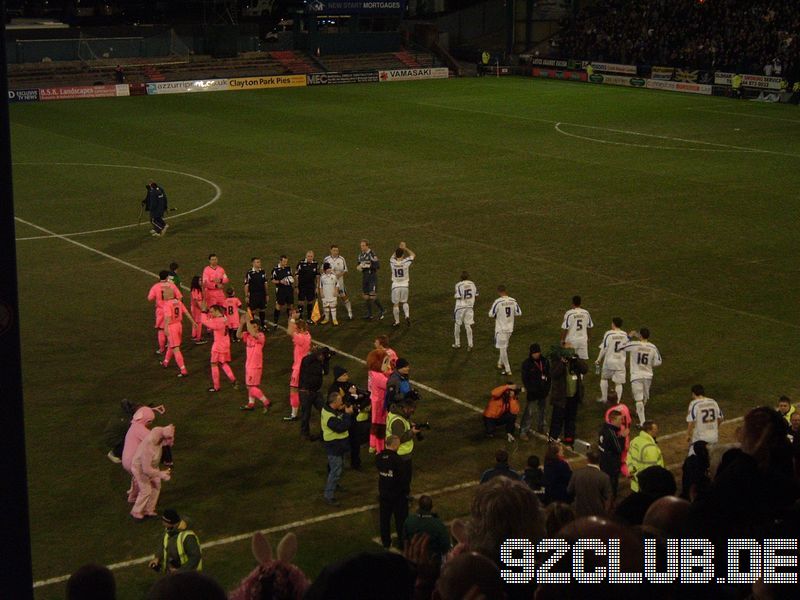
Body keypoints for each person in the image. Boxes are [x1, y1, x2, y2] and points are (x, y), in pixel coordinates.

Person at [130, 425, 174, 520]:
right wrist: (161, 474)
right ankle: (136, 511)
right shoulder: (149, 447)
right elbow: (146, 470)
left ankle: (149, 509)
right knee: (146, 490)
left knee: (157, 486)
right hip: (140, 468)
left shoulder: (159, 433)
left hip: (152, 466)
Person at [329, 366, 369, 469]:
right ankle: (335, 465)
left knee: (355, 442)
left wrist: (356, 396)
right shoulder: (334, 389)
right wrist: (351, 396)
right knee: (342, 444)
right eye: (344, 375)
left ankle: (356, 463)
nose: (347, 376)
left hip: (352, 418)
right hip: (341, 419)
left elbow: (361, 395)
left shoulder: (350, 385)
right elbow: (336, 404)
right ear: (338, 377)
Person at [548, 345, 587, 447]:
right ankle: (553, 438)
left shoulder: (575, 360)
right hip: (561, 396)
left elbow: (585, 369)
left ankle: (569, 438)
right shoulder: (556, 360)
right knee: (557, 418)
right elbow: (554, 374)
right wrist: (562, 363)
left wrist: (576, 360)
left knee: (571, 418)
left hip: (573, 396)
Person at [620, 327, 662, 425]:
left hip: (636, 375)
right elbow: (659, 361)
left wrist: (629, 336)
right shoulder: (653, 347)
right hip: (648, 375)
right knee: (644, 397)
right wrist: (649, 364)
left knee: (639, 399)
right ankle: (642, 418)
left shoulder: (634, 344)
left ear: (640, 335)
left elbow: (620, 346)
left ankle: (642, 421)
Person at [321, 391, 354, 506]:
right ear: (334, 402)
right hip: (334, 446)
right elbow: (342, 427)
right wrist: (348, 415)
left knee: (334, 468)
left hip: (337, 444)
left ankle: (334, 485)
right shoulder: (330, 418)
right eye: (340, 401)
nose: (342, 403)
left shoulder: (329, 409)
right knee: (336, 470)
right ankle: (328, 495)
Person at [376, 435, 409, 549]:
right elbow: (403, 479)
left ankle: (386, 541)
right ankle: (402, 543)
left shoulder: (379, 457)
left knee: (384, 519)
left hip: (384, 494)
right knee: (401, 520)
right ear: (395, 445)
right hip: (397, 496)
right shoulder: (398, 460)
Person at [386, 399, 420, 499]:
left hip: (398, 453)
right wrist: (412, 432)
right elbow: (399, 438)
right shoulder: (398, 421)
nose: (412, 412)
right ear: (404, 408)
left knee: (400, 478)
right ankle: (403, 498)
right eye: (411, 410)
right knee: (403, 479)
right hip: (401, 455)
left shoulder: (397, 414)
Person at [237, 311, 270, 412]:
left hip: (255, 366)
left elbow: (253, 333)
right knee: (251, 386)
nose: (254, 328)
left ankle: (266, 402)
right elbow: (238, 335)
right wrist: (242, 323)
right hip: (249, 365)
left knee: (250, 387)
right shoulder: (247, 335)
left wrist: (248, 322)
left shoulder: (260, 336)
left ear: (258, 327)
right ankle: (251, 403)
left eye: (255, 326)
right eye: (252, 326)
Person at [200, 303, 237, 393]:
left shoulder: (217, 321)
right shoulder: (224, 317)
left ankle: (216, 387)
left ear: (217, 311)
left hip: (218, 345)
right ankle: (233, 379)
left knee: (214, 364)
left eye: (212, 312)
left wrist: (203, 312)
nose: (211, 313)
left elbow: (204, 322)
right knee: (222, 363)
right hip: (225, 344)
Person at [161, 287, 196, 378]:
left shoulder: (167, 304)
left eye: (164, 293)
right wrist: (193, 322)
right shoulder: (178, 302)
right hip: (179, 326)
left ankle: (183, 369)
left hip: (172, 327)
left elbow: (168, 317)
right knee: (171, 345)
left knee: (175, 348)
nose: (163, 294)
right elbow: (186, 312)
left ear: (169, 295)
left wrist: (165, 328)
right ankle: (165, 362)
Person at [566, 448, 612, 517]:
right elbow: (608, 498)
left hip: (579, 511)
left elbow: (569, 490)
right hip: (597, 513)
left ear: (587, 460)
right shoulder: (604, 477)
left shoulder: (577, 473)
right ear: (600, 460)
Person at [402, 495, 451, 560]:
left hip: (413, 558)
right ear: (431, 507)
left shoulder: (409, 520)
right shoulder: (437, 524)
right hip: (432, 560)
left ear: (419, 506)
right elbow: (446, 546)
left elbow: (405, 540)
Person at [297, 348, 331, 440]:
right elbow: (310, 358)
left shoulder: (320, 363)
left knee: (325, 411)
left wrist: (327, 360)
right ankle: (304, 434)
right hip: (305, 392)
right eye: (322, 355)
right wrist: (317, 353)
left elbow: (326, 371)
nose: (322, 357)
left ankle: (324, 432)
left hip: (316, 392)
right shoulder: (307, 360)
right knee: (306, 414)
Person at [519, 343, 550, 439]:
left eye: (537, 352)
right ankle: (523, 431)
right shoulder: (527, 364)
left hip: (543, 392)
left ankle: (542, 427)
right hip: (532, 393)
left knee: (543, 411)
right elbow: (525, 379)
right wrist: (531, 389)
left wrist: (547, 389)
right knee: (529, 412)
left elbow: (549, 376)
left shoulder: (545, 362)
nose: (536, 354)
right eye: (534, 353)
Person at [488, 285, 521, 375]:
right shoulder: (513, 301)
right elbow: (518, 313)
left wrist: (499, 315)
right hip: (510, 329)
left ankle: (508, 369)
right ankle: (500, 363)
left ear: (498, 292)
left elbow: (491, 314)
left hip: (501, 329)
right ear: (506, 291)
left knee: (503, 349)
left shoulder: (498, 302)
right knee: (504, 347)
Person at [147, 271, 182, 356]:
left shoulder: (155, 286)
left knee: (161, 330)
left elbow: (149, 298)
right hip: (171, 309)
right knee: (171, 328)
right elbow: (180, 296)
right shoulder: (171, 285)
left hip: (160, 311)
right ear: (167, 277)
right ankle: (172, 345)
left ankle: (162, 349)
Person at [283, 316, 311, 421]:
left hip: (298, 368)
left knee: (294, 390)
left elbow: (289, 332)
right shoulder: (307, 335)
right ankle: (305, 411)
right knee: (304, 390)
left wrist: (292, 319)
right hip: (305, 367)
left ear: (301, 329)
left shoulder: (301, 338)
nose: (295, 330)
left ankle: (294, 414)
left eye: (297, 329)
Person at [594, 317, 628, 403]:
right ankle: (618, 401)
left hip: (609, 362)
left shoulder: (608, 334)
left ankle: (604, 398)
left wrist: (598, 359)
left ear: (613, 324)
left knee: (604, 378)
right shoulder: (625, 335)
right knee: (618, 383)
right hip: (620, 362)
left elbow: (604, 348)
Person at [627, 421, 664, 492]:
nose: (657, 431)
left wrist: (631, 471)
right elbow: (652, 470)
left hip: (635, 484)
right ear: (649, 431)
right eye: (655, 429)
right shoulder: (650, 447)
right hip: (647, 486)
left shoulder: (635, 440)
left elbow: (629, 457)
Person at [367, 349, 391, 453]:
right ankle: (378, 449)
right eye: (385, 362)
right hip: (380, 403)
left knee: (375, 423)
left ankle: (373, 445)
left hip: (375, 400)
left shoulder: (373, 372)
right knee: (380, 426)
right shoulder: (379, 376)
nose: (387, 365)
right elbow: (389, 384)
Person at [598, 409, 625, 497]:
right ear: (613, 420)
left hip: (603, 461)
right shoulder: (612, 433)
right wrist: (622, 437)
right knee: (612, 486)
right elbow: (619, 448)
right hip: (611, 464)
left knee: (604, 483)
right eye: (620, 419)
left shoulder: (603, 429)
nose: (621, 422)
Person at [323, 244, 353, 320]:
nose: (336, 252)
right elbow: (322, 270)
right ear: (330, 251)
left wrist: (338, 276)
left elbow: (345, 270)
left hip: (339, 282)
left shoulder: (341, 259)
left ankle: (350, 312)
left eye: (337, 250)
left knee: (343, 296)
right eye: (334, 250)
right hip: (329, 283)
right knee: (328, 298)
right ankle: (326, 314)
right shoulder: (326, 259)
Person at [604, 391, 631, 476]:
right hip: (626, 437)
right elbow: (629, 422)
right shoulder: (624, 407)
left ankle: (629, 474)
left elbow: (609, 428)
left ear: (608, 401)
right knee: (625, 458)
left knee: (619, 461)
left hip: (617, 440)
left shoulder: (610, 412)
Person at [356, 239, 385, 320]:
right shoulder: (360, 255)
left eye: (363, 245)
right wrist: (359, 267)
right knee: (366, 296)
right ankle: (370, 314)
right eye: (361, 245)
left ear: (367, 245)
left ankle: (382, 310)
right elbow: (358, 264)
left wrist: (368, 266)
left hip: (372, 276)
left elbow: (378, 266)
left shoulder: (372, 254)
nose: (361, 247)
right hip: (365, 277)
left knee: (372, 296)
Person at [389, 241, 415, 327]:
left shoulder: (392, 262)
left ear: (396, 255)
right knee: (404, 302)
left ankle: (397, 322)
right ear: (403, 255)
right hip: (404, 285)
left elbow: (393, 256)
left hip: (396, 286)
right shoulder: (406, 262)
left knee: (396, 304)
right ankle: (407, 316)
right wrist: (405, 248)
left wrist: (399, 248)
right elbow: (413, 255)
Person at [560, 295, 593, 360]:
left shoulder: (569, 313)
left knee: (568, 360)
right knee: (582, 362)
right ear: (580, 303)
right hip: (582, 340)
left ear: (572, 303)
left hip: (571, 341)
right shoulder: (586, 313)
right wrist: (589, 338)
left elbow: (565, 328)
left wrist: (562, 340)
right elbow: (589, 327)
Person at [452, 271, 478, 350]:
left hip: (460, 307)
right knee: (468, 325)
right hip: (469, 307)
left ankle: (457, 343)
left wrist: (455, 296)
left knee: (457, 324)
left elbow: (458, 296)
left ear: (461, 278)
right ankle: (470, 344)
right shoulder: (472, 284)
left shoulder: (459, 285)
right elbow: (476, 294)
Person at [243, 257, 269, 327]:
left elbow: (265, 283)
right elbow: (246, 285)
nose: (259, 263)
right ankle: (252, 325)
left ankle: (263, 324)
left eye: (259, 262)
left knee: (262, 309)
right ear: (253, 263)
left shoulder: (262, 271)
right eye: (257, 262)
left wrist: (267, 294)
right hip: (253, 294)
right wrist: (246, 296)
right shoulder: (249, 273)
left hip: (262, 294)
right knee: (252, 311)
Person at [295, 250, 320, 324]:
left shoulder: (315, 263)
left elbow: (318, 276)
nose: (310, 258)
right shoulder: (301, 263)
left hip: (311, 286)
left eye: (311, 256)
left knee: (310, 301)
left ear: (313, 257)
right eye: (308, 256)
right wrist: (296, 286)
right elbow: (296, 275)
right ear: (306, 256)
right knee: (301, 302)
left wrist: (317, 287)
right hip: (302, 286)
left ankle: (309, 318)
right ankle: (300, 318)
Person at [271, 255, 295, 329]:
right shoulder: (275, 270)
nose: (285, 263)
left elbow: (291, 277)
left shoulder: (288, 268)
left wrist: (291, 281)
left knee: (290, 305)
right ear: (280, 261)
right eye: (284, 261)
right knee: (279, 305)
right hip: (281, 290)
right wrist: (280, 281)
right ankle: (275, 323)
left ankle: (289, 322)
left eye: (286, 261)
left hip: (289, 289)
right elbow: (272, 280)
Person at [188, 276, 206, 344]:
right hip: (196, 308)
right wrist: (201, 308)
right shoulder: (195, 290)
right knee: (199, 323)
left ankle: (194, 335)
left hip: (196, 307)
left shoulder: (197, 289)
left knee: (195, 321)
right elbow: (196, 301)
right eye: (200, 281)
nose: (201, 282)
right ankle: (198, 338)